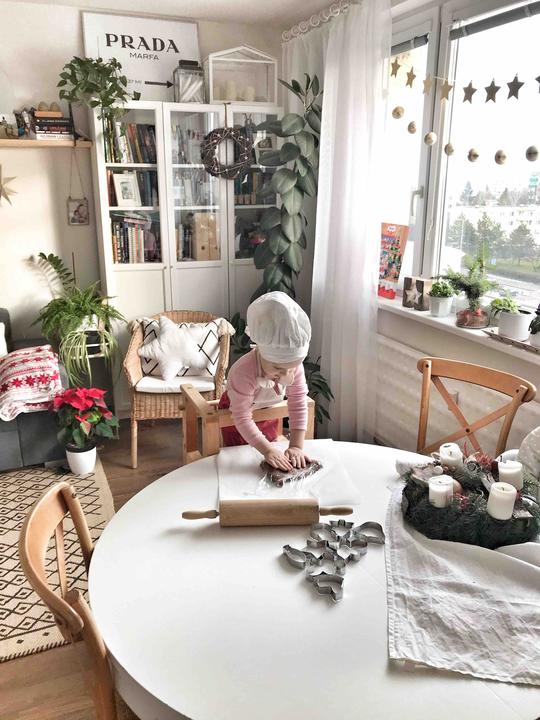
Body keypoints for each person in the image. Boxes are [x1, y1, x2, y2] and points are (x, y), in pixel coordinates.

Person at [219, 292, 311, 471]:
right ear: (261, 352)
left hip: (267, 410)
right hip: (236, 413)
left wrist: (296, 446)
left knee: (265, 460)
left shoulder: (292, 366)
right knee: (240, 457)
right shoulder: (243, 372)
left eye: (292, 367)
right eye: (278, 368)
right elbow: (241, 417)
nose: (286, 374)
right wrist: (267, 450)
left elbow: (298, 402)